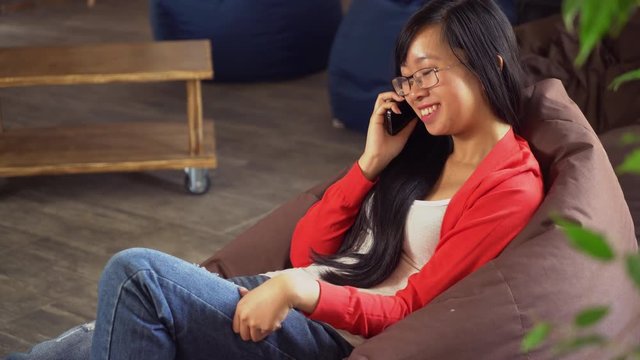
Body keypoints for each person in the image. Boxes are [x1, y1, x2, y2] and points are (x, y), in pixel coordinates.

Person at [7, 0, 544, 359]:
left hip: (328, 329)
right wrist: (369, 165)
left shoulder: (509, 184)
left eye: (429, 71)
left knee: (135, 277)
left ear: (489, 62)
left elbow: (410, 311)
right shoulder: (421, 154)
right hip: (292, 294)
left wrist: (296, 288)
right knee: (60, 351)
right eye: (408, 77)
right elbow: (310, 245)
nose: (416, 90)